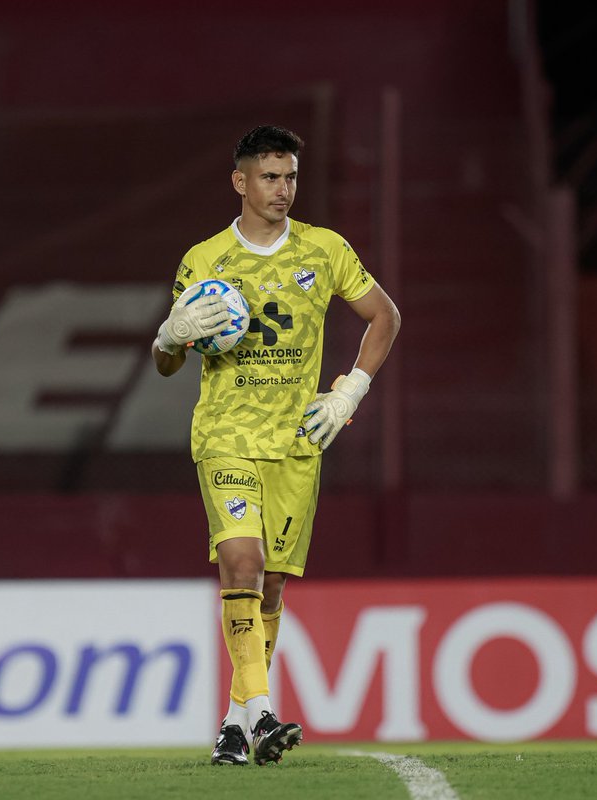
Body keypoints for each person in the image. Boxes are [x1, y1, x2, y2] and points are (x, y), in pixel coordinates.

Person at [151, 125, 400, 766]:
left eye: (290, 176)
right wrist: (169, 337)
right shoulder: (204, 260)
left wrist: (349, 394)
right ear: (240, 182)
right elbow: (169, 365)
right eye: (269, 176)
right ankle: (263, 713)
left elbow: (386, 317)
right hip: (225, 438)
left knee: (270, 591)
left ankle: (235, 725)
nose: (283, 189)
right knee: (242, 559)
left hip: (296, 443)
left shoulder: (324, 250)